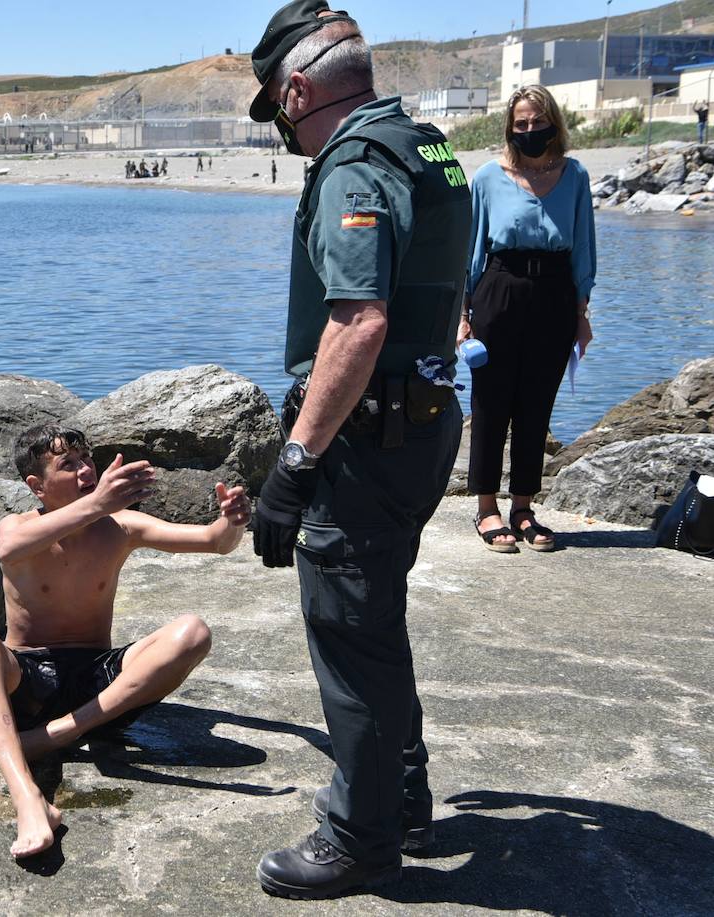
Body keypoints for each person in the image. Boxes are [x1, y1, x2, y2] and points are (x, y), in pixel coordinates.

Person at [246, 0, 471, 898]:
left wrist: (295, 465)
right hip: (421, 423)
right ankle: (399, 793)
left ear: (298, 90)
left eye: (276, 112)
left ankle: (361, 837)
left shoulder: (353, 167)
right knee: (375, 619)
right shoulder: (426, 145)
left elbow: (358, 321)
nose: (284, 134)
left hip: (365, 439)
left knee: (347, 629)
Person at [0, 424, 250, 859]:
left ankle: (55, 737)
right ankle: (28, 799)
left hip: (100, 681)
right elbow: (9, 550)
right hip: (30, 681)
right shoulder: (16, 526)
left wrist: (231, 521)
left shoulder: (121, 527)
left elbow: (213, 543)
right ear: (37, 486)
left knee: (193, 633)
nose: (84, 469)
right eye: (67, 464)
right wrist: (96, 503)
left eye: (86, 459)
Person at [460, 84, 596, 553]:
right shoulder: (487, 177)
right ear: (509, 127)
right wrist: (464, 314)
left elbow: (583, 247)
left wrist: (582, 312)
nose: (531, 130)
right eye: (522, 124)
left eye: (538, 122)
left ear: (554, 124)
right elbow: (470, 248)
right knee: (491, 403)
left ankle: (522, 507)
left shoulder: (574, 175)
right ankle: (485, 508)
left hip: (556, 294)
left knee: (537, 405)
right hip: (499, 287)